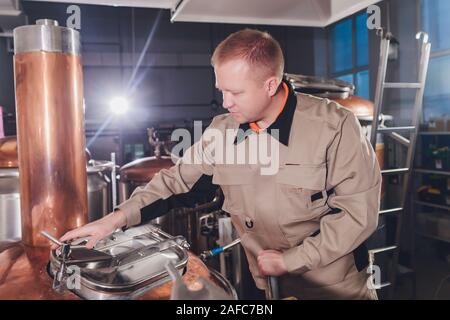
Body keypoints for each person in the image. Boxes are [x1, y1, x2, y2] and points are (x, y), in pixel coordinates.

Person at [57, 29, 381, 300]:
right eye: (221, 90)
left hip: (332, 288)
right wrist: (113, 221)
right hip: (266, 286)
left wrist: (291, 260)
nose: (225, 102)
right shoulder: (223, 131)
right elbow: (175, 183)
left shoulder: (335, 127)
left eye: (235, 92)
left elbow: (357, 214)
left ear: (270, 84)